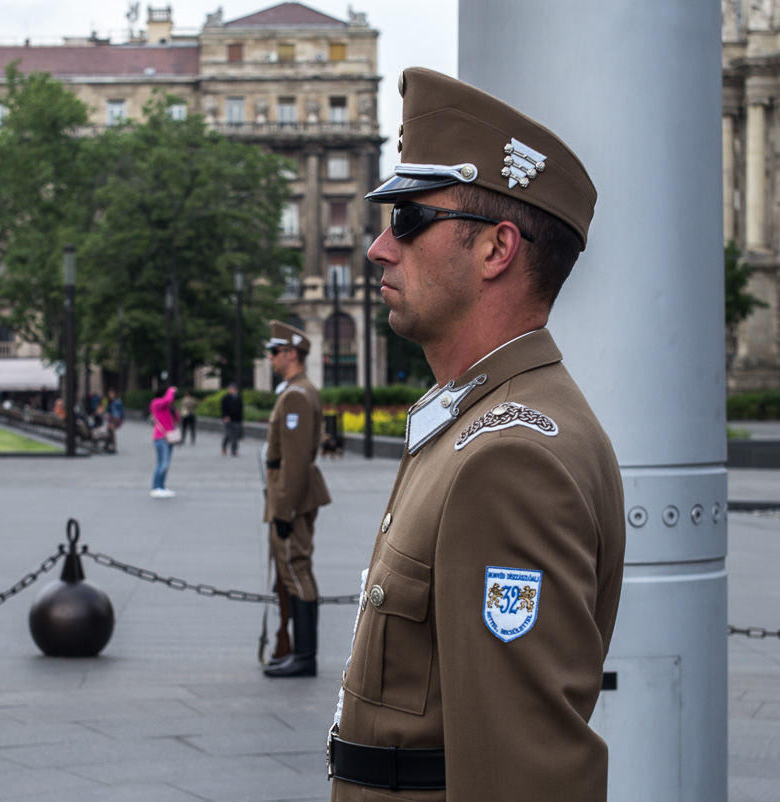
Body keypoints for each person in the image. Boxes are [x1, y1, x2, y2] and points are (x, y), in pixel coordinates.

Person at [327, 68, 626, 800]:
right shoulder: (473, 419)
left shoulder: (512, 457)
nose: (378, 249)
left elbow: (524, 775)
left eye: (408, 220)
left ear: (496, 250)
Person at [261, 320, 331, 678]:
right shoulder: (296, 391)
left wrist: (284, 509)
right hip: (288, 492)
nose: (270, 358)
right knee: (291, 568)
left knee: (295, 567)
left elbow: (295, 459)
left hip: (292, 496)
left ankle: (305, 655)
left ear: (290, 353)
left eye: (274, 352)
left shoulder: (295, 396)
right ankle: (299, 653)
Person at [149, 386, 178, 498]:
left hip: (169, 437)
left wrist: (173, 410)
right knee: (162, 463)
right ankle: (156, 487)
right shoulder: (156, 402)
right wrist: (171, 390)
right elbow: (168, 400)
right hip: (160, 437)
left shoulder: (167, 406)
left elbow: (177, 418)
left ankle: (162, 486)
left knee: (166, 463)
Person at [220, 382, 243, 456]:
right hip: (228, 419)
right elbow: (223, 408)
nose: (232, 390)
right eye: (230, 389)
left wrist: (240, 420)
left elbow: (240, 409)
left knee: (235, 436)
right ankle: (224, 446)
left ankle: (234, 450)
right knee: (229, 435)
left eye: (233, 389)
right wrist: (225, 416)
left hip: (236, 419)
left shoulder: (238, 398)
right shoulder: (225, 398)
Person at [105, 388, 124, 454]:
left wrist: (120, 419)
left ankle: (113, 446)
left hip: (116, 419)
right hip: (111, 419)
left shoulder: (118, 402)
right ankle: (108, 445)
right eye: (110, 394)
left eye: (112, 393)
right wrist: (107, 415)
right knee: (109, 430)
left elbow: (121, 411)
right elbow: (108, 411)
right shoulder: (110, 402)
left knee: (111, 430)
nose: (111, 395)